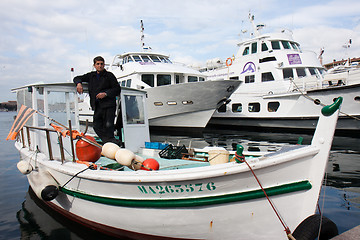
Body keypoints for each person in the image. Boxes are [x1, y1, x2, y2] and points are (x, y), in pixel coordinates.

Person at [73, 56, 121, 145]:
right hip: (97, 106)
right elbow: (77, 78)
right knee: (96, 126)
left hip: (109, 105)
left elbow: (117, 89)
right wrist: (79, 84)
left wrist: (105, 94)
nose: (100, 66)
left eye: (102, 64)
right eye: (98, 64)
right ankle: (111, 142)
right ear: (94, 65)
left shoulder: (109, 76)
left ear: (104, 65)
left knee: (108, 126)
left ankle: (110, 144)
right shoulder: (91, 76)